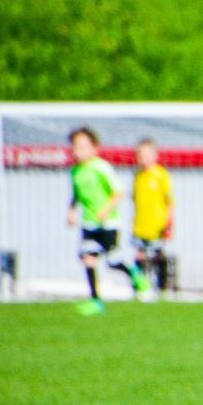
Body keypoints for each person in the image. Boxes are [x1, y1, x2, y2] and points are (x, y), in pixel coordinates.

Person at [66, 127, 152, 314]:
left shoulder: (101, 167)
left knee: (113, 262)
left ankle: (135, 275)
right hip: (89, 223)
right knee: (88, 258)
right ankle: (96, 301)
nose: (77, 151)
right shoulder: (75, 172)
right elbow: (76, 195)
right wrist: (71, 211)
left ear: (94, 148)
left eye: (82, 146)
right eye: (74, 147)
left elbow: (118, 191)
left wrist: (105, 210)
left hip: (108, 224)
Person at [131, 138, 173, 295]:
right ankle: (139, 288)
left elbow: (170, 202)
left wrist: (169, 222)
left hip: (158, 225)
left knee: (158, 255)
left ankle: (162, 288)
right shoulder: (138, 176)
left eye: (147, 154)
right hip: (140, 225)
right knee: (140, 256)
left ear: (155, 155)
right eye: (140, 154)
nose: (143, 158)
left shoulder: (161, 175)